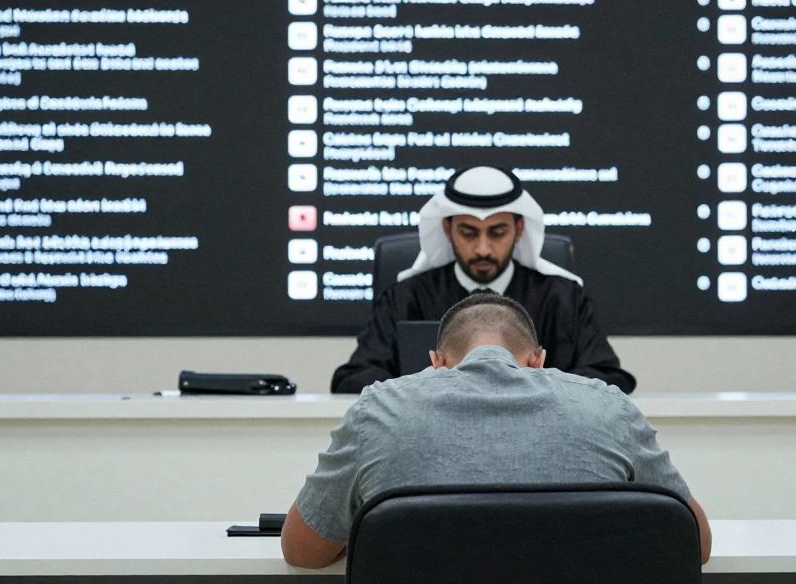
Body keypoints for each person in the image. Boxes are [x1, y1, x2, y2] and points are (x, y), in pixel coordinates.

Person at [282, 292, 711, 569]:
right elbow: (695, 541)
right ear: (538, 359)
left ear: (437, 362)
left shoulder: (376, 409)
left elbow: (301, 552)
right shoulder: (608, 405)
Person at [331, 166, 636, 394]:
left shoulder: (562, 296)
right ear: (448, 230)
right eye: (468, 232)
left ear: (518, 230)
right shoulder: (407, 296)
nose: (483, 248)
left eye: (497, 232)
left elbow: (609, 378)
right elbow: (353, 379)